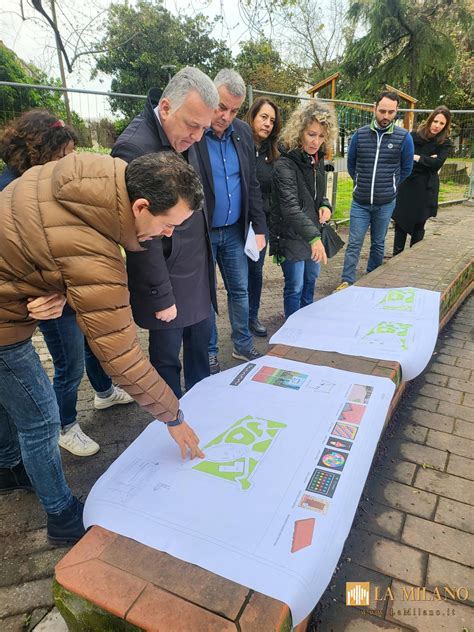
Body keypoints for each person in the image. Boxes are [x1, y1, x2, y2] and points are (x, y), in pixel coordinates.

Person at [0, 151, 204, 544]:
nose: (168, 235)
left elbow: (38, 241)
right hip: (5, 326)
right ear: (141, 206)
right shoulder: (93, 250)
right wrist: (173, 415)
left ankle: (8, 467)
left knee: (12, 400)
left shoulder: (96, 175)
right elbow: (121, 357)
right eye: (167, 225)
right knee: (40, 416)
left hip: (12, 295)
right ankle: (62, 517)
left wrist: (53, 287)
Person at [0, 110, 133, 459]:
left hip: (71, 287)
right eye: (63, 155)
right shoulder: (10, 189)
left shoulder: (52, 182)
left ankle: (104, 391)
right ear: (38, 153)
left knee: (92, 344)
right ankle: (65, 425)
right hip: (48, 297)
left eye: (73, 153)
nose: (70, 161)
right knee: (69, 362)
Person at [112, 67, 218, 398]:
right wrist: (161, 294)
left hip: (197, 265)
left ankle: (202, 410)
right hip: (167, 275)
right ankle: (170, 422)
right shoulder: (133, 148)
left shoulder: (190, 133)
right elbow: (138, 237)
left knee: (201, 345)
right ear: (167, 107)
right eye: (193, 125)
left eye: (204, 128)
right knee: (167, 359)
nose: (198, 137)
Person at [195, 69, 267, 373]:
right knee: (206, 295)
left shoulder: (243, 132)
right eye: (221, 107)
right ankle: (209, 352)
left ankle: (242, 343)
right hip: (203, 232)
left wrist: (260, 227)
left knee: (240, 289)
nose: (226, 116)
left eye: (234, 110)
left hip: (236, 231)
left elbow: (251, 183)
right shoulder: (196, 132)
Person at [335, 91, 414, 291]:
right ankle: (347, 281)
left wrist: (390, 186)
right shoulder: (359, 135)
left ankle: (372, 280)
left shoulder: (404, 138)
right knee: (354, 243)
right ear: (374, 109)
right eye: (382, 111)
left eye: (390, 112)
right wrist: (361, 182)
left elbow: (406, 169)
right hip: (360, 202)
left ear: (396, 111)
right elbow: (352, 165)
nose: (386, 116)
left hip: (386, 203)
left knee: (378, 244)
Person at [269, 100, 336, 318]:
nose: (317, 141)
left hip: (312, 234)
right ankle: (291, 330)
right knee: (295, 287)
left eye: (322, 136)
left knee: (310, 282)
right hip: (292, 236)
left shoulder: (316, 160)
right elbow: (290, 208)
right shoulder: (285, 164)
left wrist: (325, 206)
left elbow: (319, 195)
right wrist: (315, 238)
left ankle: (305, 324)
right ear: (300, 132)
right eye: (311, 134)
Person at [245, 96, 282, 337]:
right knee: (238, 276)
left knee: (255, 272)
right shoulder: (238, 144)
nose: (267, 123)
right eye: (263, 117)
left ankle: (252, 316)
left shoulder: (274, 153)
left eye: (272, 120)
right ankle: (239, 319)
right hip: (237, 221)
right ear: (252, 117)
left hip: (261, 224)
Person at [392, 106, 452, 255]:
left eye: (442, 123)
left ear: (446, 126)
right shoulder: (413, 136)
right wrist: (427, 160)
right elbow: (404, 158)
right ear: (430, 119)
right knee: (401, 221)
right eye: (435, 121)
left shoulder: (445, 142)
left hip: (426, 187)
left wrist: (417, 157)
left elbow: (438, 163)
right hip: (408, 184)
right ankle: (396, 256)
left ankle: (413, 256)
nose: (437, 126)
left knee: (419, 222)